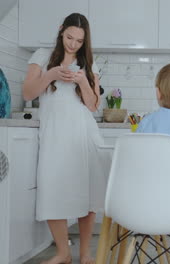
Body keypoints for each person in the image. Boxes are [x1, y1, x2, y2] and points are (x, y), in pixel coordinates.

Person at [22, 13, 108, 264]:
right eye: (70, 37)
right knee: (52, 188)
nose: (73, 44)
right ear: (61, 31)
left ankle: (84, 254)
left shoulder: (89, 63)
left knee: (88, 192)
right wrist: (50, 75)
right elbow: (28, 92)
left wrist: (82, 81)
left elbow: (93, 106)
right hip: (54, 133)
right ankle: (63, 252)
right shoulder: (42, 56)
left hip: (83, 134)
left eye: (79, 41)